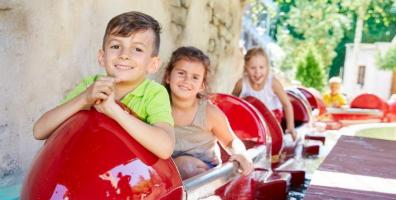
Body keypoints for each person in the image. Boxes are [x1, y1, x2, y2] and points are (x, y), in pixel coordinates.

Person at [33, 11, 174, 159]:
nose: (124, 54)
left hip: (129, 173)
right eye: (115, 46)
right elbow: (39, 131)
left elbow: (165, 148)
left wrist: (114, 111)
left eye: (137, 49)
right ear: (102, 57)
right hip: (88, 166)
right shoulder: (91, 86)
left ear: (153, 64)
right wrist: (84, 99)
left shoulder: (154, 93)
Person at [163, 46, 254, 179]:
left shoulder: (208, 113)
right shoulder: (159, 106)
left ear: (202, 85)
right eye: (181, 73)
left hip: (204, 172)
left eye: (195, 77)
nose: (187, 80)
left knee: (184, 166)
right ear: (167, 77)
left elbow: (230, 141)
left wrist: (241, 153)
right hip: (169, 169)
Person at [232, 47, 297, 141]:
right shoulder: (241, 84)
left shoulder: (273, 83)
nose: (257, 72)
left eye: (261, 67)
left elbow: (287, 105)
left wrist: (290, 127)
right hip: (252, 119)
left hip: (272, 120)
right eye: (253, 68)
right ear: (246, 68)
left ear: (267, 68)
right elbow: (231, 104)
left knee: (267, 137)